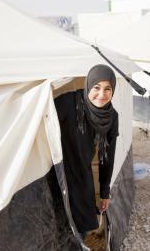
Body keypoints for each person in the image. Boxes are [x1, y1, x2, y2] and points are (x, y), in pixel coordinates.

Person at [54, 64, 119, 238]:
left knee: (83, 221)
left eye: (108, 89)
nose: (101, 94)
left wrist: (105, 192)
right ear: (88, 86)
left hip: (82, 171)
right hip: (56, 170)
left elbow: (108, 157)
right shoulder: (69, 102)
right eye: (96, 87)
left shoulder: (111, 117)